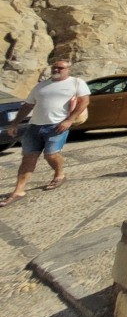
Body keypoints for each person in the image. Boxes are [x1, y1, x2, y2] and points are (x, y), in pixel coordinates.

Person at [0, 60, 89, 207]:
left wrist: (69, 120)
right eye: (54, 67)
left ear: (68, 69)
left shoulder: (76, 83)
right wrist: (15, 123)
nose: (56, 69)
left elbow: (84, 102)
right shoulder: (41, 86)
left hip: (57, 126)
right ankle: (18, 191)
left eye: (60, 67)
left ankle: (59, 174)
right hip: (34, 126)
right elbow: (28, 105)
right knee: (28, 158)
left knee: (51, 155)